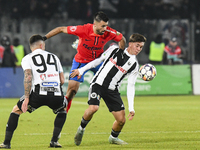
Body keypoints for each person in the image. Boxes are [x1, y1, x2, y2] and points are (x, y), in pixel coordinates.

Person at [70, 33, 146, 145]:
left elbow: (131, 85)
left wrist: (131, 107)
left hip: (112, 90)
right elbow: (98, 60)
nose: (139, 49)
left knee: (121, 120)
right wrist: (81, 70)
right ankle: (81, 129)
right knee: (93, 108)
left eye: (141, 47)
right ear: (130, 44)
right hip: (98, 84)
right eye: (137, 45)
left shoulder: (134, 65)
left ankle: (113, 138)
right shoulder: (114, 49)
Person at [43, 11, 126, 112]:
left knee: (109, 86)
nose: (105, 28)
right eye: (102, 26)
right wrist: (44, 38)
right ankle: (63, 112)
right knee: (72, 90)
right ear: (95, 24)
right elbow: (61, 29)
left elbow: (122, 39)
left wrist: (121, 53)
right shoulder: (83, 29)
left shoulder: (109, 32)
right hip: (80, 61)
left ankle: (117, 110)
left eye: (106, 26)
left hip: (98, 62)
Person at [0, 35, 68, 149]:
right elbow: (62, 80)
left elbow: (28, 76)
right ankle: (54, 141)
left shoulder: (27, 58)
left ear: (31, 46)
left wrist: (27, 97)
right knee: (62, 110)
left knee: (16, 110)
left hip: (38, 93)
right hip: (56, 93)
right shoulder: (54, 57)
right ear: (42, 45)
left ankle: (6, 143)